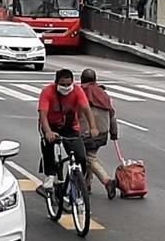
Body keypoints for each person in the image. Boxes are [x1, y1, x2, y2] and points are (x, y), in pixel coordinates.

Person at [37, 69, 100, 194]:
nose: (66, 87)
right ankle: (50, 175)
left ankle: (77, 182)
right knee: (48, 146)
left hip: (70, 126)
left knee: (80, 156)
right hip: (50, 125)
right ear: (56, 83)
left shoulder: (77, 91)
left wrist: (93, 127)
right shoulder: (47, 92)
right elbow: (43, 115)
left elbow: (87, 110)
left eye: (68, 84)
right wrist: (48, 132)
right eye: (62, 84)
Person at [79, 68, 119, 200]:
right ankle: (86, 184)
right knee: (89, 155)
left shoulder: (81, 92)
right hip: (102, 132)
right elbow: (112, 115)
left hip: (86, 132)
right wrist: (114, 132)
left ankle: (107, 181)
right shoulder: (103, 94)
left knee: (89, 157)